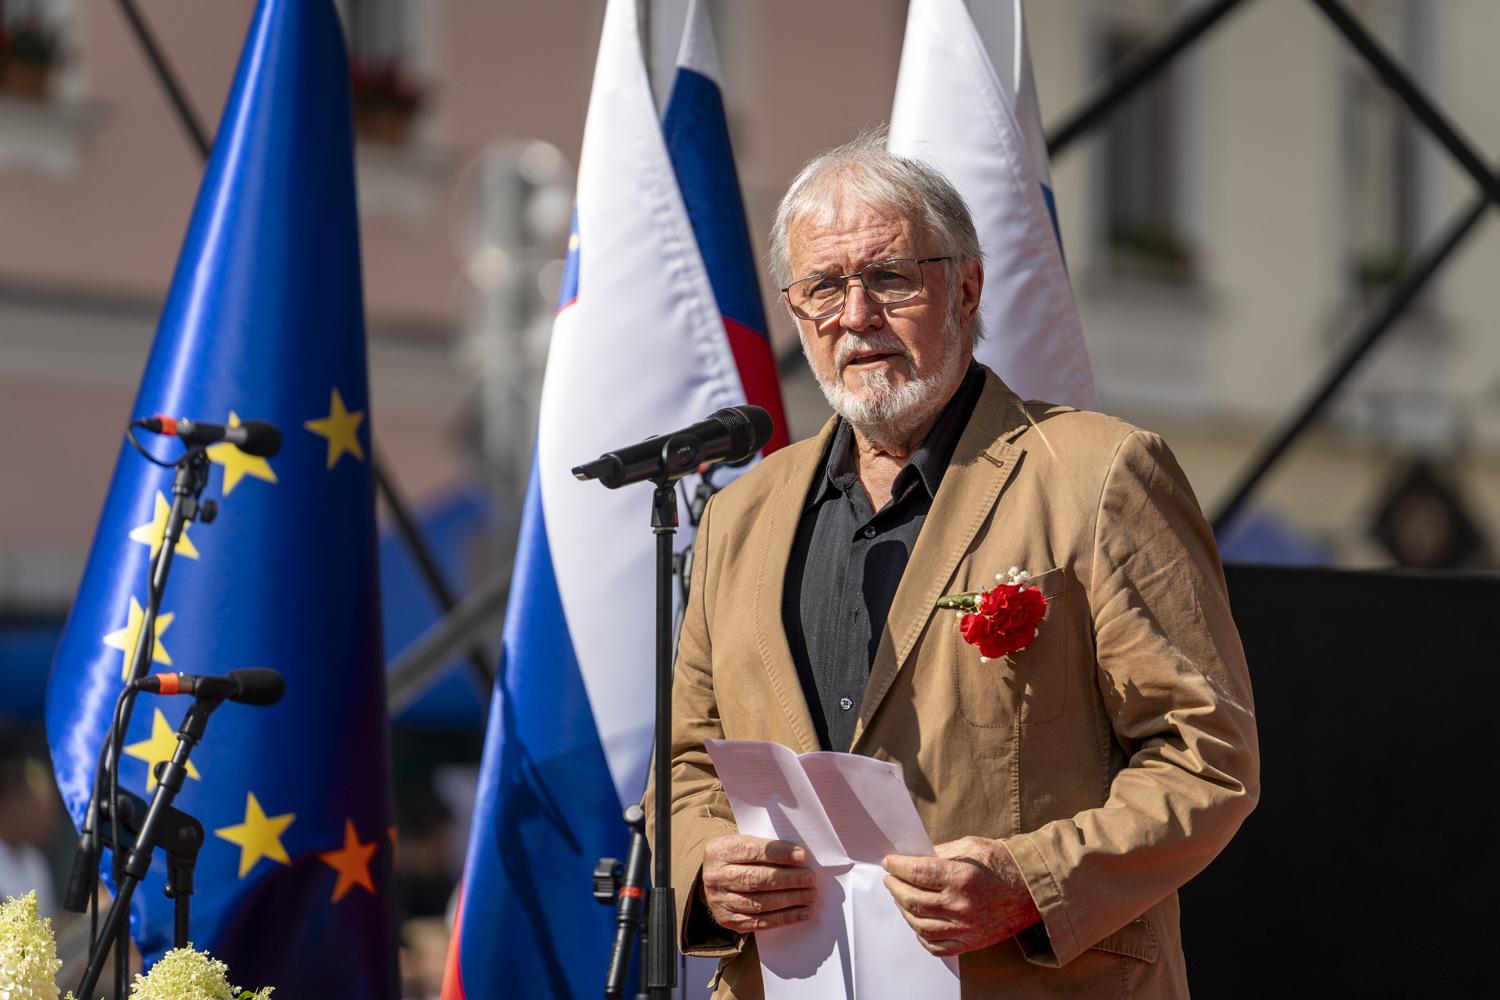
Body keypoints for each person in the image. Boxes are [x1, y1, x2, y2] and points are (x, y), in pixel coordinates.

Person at [647, 131, 1259, 998]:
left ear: (966, 288)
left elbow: (1205, 755)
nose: (856, 315)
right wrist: (707, 866)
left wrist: (1032, 883)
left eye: (890, 277)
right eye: (823, 288)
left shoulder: (1100, 475)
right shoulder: (739, 515)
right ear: (795, 312)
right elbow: (683, 766)